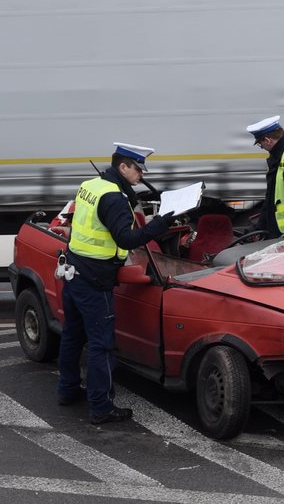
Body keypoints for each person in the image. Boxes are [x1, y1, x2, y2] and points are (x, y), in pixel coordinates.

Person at [57, 142, 175, 424]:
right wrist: (159, 225)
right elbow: (126, 239)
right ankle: (100, 407)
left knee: (72, 336)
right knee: (102, 345)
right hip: (95, 280)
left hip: (74, 270)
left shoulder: (91, 185)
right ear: (123, 167)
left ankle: (67, 391)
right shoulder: (114, 198)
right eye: (137, 169)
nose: (141, 175)